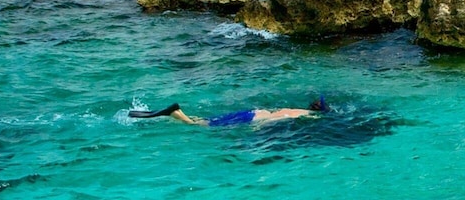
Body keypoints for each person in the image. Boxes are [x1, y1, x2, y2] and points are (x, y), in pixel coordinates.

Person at [128, 98, 328, 127]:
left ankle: (164, 114)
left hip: (250, 112)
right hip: (254, 119)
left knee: (208, 120)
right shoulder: (304, 115)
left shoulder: (292, 108)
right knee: (200, 127)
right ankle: (177, 113)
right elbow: (275, 120)